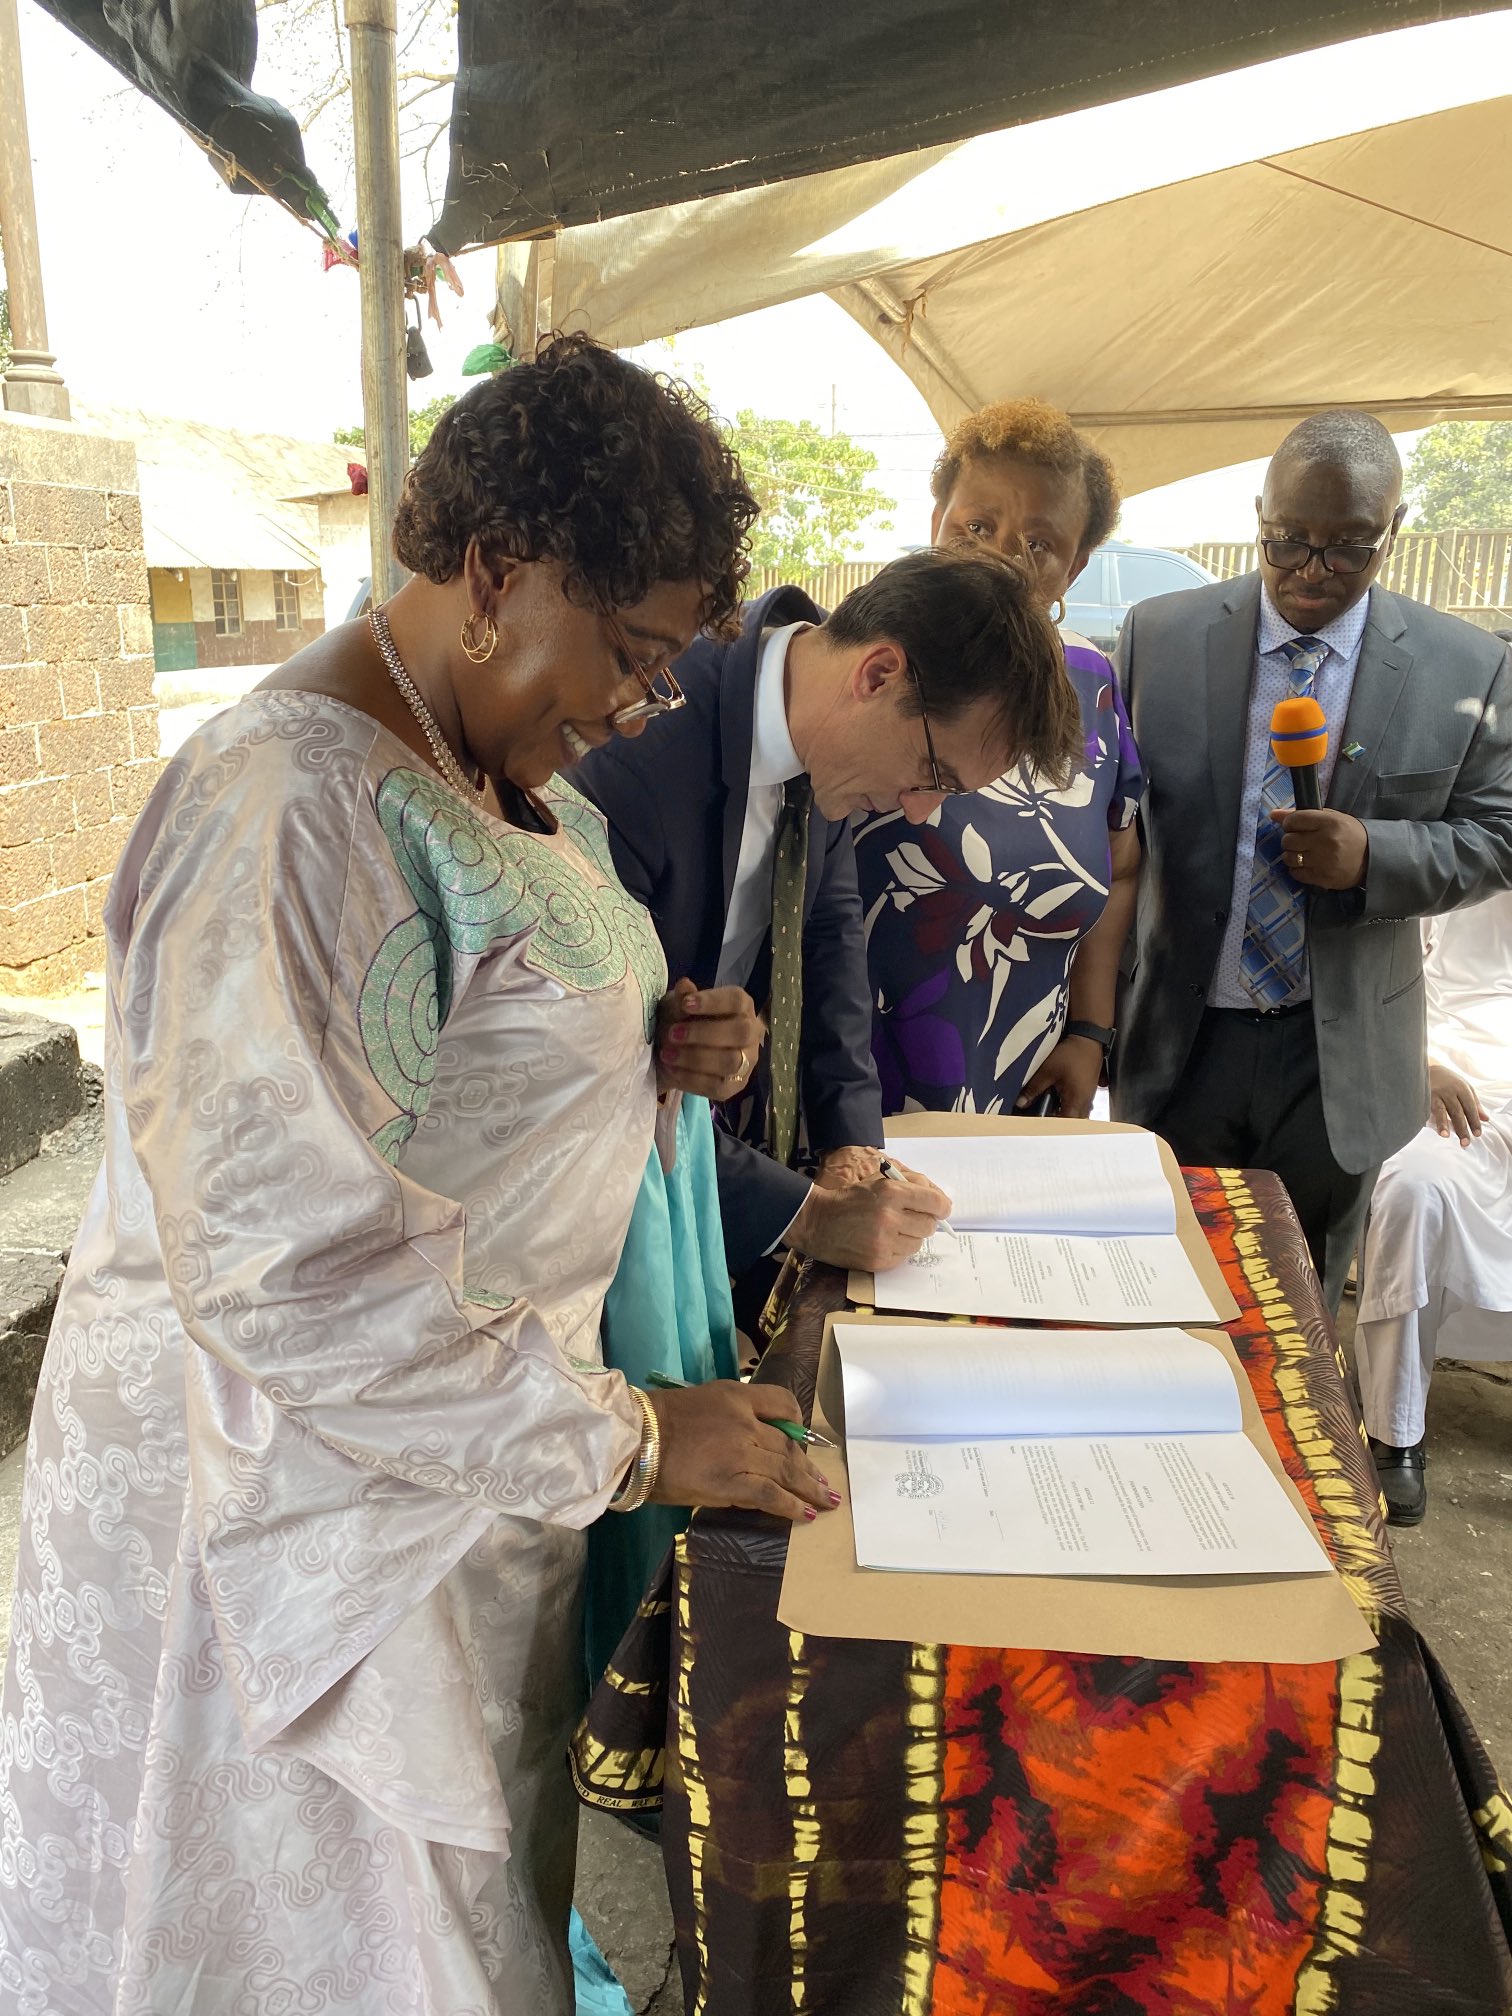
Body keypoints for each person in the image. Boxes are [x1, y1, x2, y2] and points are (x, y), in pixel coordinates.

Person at [0, 335, 838, 2016]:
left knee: (449, 1917)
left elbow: (497, 1048)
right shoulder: (285, 802)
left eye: (664, 673)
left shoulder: (503, 779)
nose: (633, 708)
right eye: (630, 655)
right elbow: (281, 1256)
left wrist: (671, 1052)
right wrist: (631, 1436)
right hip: (296, 1508)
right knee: (326, 1941)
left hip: (469, 1469)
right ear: (495, 573)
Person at [572, 547, 1083, 1279]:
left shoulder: (822, 735)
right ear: (877, 674)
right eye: (933, 775)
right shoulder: (644, 744)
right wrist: (804, 1217)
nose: (920, 812)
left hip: (708, 1140)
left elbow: (828, 930)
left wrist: (853, 1145)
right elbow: (596, 1077)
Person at [1113, 408, 1512, 1310]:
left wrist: (1375, 854)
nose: (1311, 571)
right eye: (1286, 542)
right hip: (1181, 1040)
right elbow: (1117, 829)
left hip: (1341, 1064)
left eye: (1348, 549)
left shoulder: (1467, 666)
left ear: (1394, 530)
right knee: (1161, 1294)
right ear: (1259, 516)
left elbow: (1500, 835)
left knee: (1293, 1315)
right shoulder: (1158, 636)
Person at [853, 400, 1143, 1116]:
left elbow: (1122, 865)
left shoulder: (1091, 688)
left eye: (1039, 544)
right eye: (977, 527)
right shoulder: (865, 669)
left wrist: (1090, 1031)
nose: (1001, 560)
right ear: (936, 524)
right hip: (848, 1088)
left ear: (1074, 568)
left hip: (1025, 1086)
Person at [1355, 888, 1512, 1525]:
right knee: (1412, 1189)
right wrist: (1416, 1066)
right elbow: (1364, 991)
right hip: (1447, 1089)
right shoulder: (1449, 863)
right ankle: (1395, 1429)